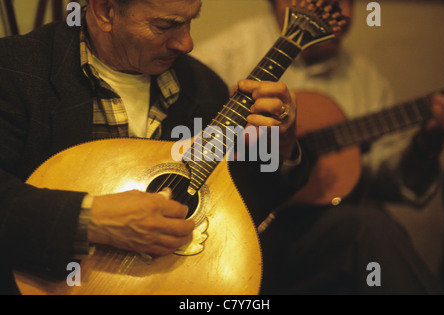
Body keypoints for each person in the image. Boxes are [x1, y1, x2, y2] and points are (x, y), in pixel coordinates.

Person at [0, 0, 308, 294]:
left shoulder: (203, 86)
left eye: (190, 22)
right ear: (106, 10)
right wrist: (89, 220)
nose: (186, 43)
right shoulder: (16, 70)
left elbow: (235, 210)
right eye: (165, 26)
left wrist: (281, 144)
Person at [192, 0, 444, 294]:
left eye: (350, 2)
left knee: (373, 224)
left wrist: (425, 144)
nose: (346, 14)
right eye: (331, 2)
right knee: (369, 226)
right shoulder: (222, 58)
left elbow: (386, 180)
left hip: (320, 231)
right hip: (239, 229)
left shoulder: (363, 77)